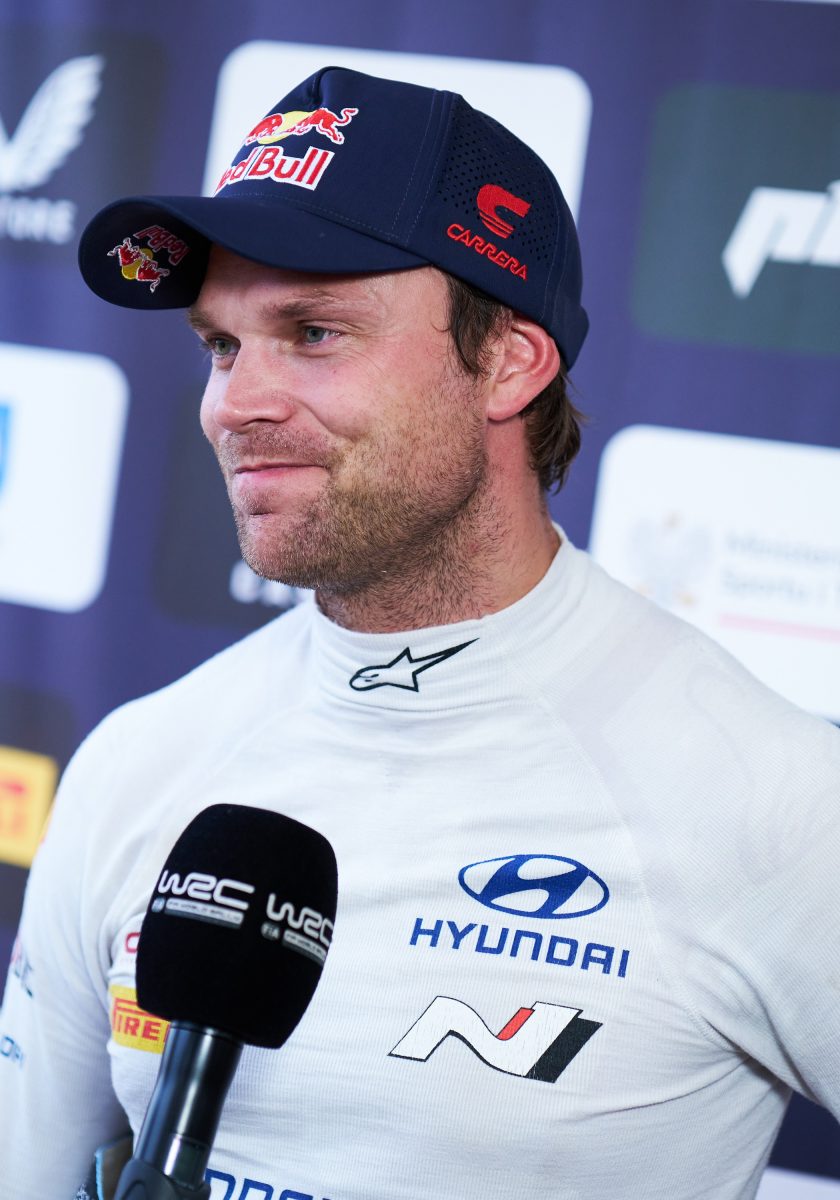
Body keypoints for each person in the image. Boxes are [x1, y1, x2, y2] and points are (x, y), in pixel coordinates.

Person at [0, 64, 838, 1200]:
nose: (234, 403)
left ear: (509, 362)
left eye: (314, 332)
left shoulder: (773, 799)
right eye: (221, 345)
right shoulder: (141, 759)